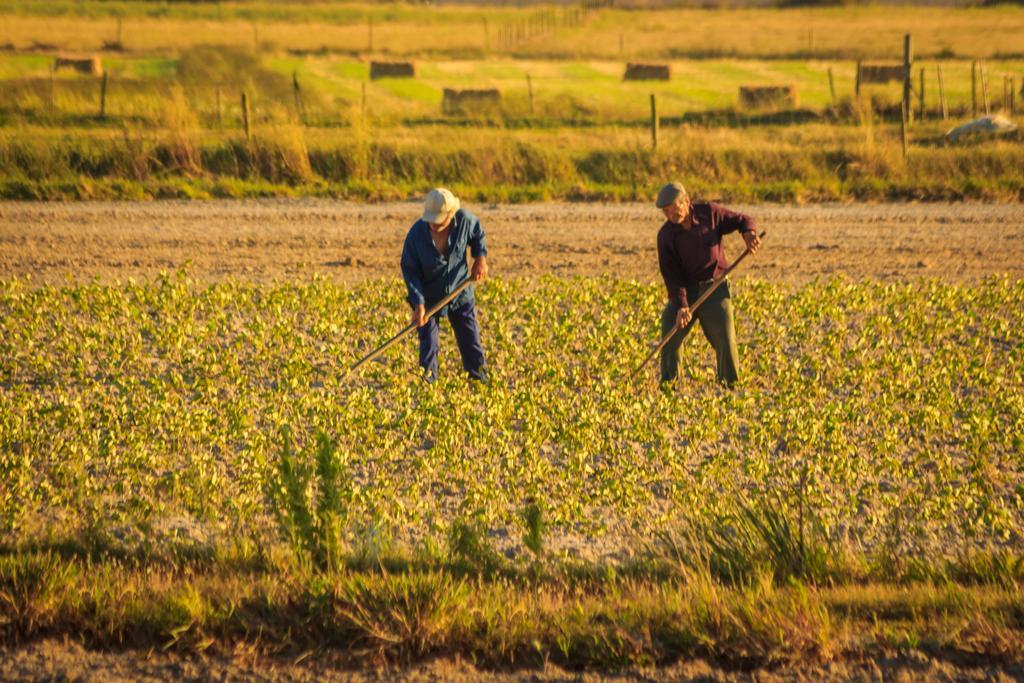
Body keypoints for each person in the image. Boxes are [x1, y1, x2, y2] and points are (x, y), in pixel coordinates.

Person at [655, 182, 761, 388]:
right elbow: (671, 276)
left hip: (715, 288)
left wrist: (748, 234)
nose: (670, 214)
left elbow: (742, 220)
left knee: (725, 337)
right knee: (670, 332)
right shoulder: (666, 236)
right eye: (666, 211)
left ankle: (730, 386)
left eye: (674, 208)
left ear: (686, 201)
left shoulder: (710, 213)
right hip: (687, 290)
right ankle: (669, 386)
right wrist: (681, 306)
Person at [400, 188, 489, 383]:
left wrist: (480, 259)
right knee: (429, 344)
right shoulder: (416, 235)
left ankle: (479, 382)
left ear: (451, 214)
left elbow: (478, 235)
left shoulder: (465, 219)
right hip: (429, 298)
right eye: (431, 219)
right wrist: (419, 303)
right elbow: (410, 270)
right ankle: (428, 387)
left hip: (460, 292)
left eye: (439, 219)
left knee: (470, 340)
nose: (434, 224)